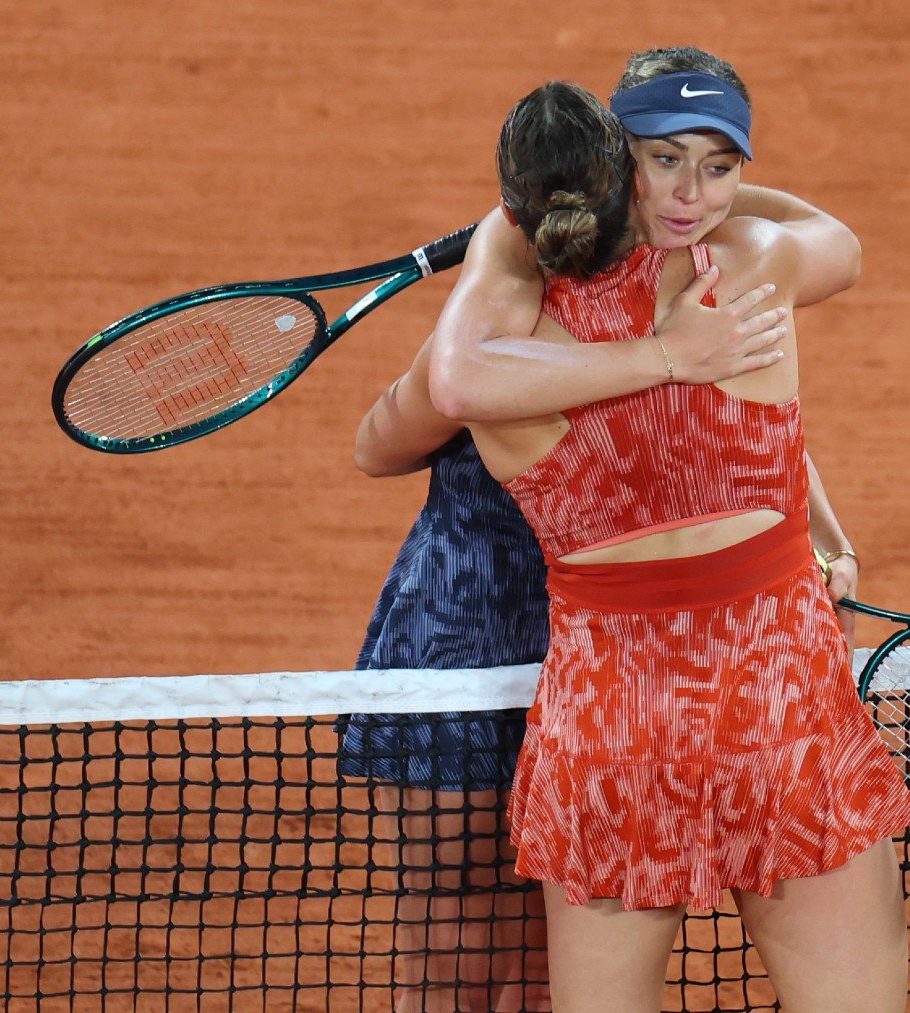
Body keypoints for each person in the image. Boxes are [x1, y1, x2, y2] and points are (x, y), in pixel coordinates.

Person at [343, 48, 872, 1013]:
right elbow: (831, 249)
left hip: (600, 701)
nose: (690, 188)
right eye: (667, 159)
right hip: (773, 687)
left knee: (463, 945)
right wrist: (718, 223)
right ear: (617, 163)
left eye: (715, 163)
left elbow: (400, 428)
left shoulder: (492, 348)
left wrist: (506, 249)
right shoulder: (754, 273)